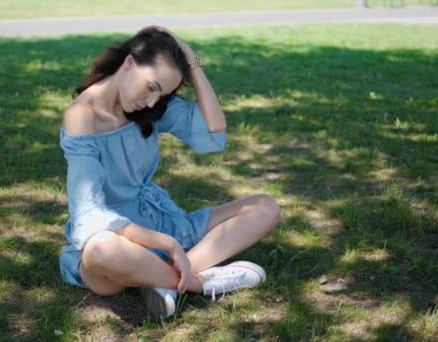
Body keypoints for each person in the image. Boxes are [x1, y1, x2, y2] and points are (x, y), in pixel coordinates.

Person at [59, 26, 280, 319]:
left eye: (161, 93)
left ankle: (162, 280)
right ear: (129, 63)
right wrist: (164, 243)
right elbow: (89, 214)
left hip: (163, 220)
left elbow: (212, 134)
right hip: (122, 241)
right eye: (151, 87)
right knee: (100, 249)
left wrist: (193, 63)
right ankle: (199, 282)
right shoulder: (81, 116)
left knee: (265, 206)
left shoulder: (150, 105)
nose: (152, 102)